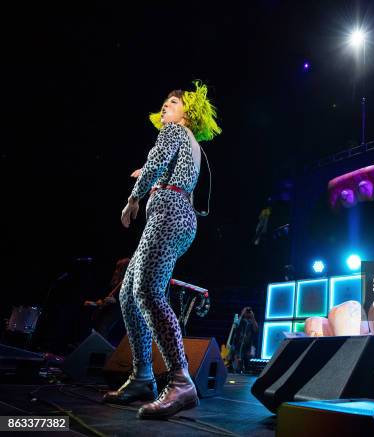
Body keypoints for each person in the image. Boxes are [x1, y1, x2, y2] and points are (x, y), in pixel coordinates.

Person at [102, 80, 221, 419]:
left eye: (172, 102)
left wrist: (133, 197)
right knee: (128, 294)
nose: (166, 107)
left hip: (169, 213)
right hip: (176, 214)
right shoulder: (191, 143)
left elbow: (157, 160)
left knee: (148, 292)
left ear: (189, 111)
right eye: (165, 102)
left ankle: (181, 380)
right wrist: (151, 177)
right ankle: (142, 377)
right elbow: (168, 169)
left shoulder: (173, 131)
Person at [83, 257, 130, 344]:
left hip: (114, 315)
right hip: (104, 312)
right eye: (117, 267)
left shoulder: (128, 282)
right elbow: (104, 299)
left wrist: (115, 301)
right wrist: (95, 303)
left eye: (120, 268)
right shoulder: (115, 281)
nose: (116, 270)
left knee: (102, 333)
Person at [230, 306, 259, 373]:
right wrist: (242, 314)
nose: (247, 312)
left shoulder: (252, 322)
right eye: (246, 311)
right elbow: (235, 326)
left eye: (248, 311)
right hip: (238, 346)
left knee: (247, 365)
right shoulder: (239, 320)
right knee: (237, 366)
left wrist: (253, 317)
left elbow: (256, 330)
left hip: (248, 346)